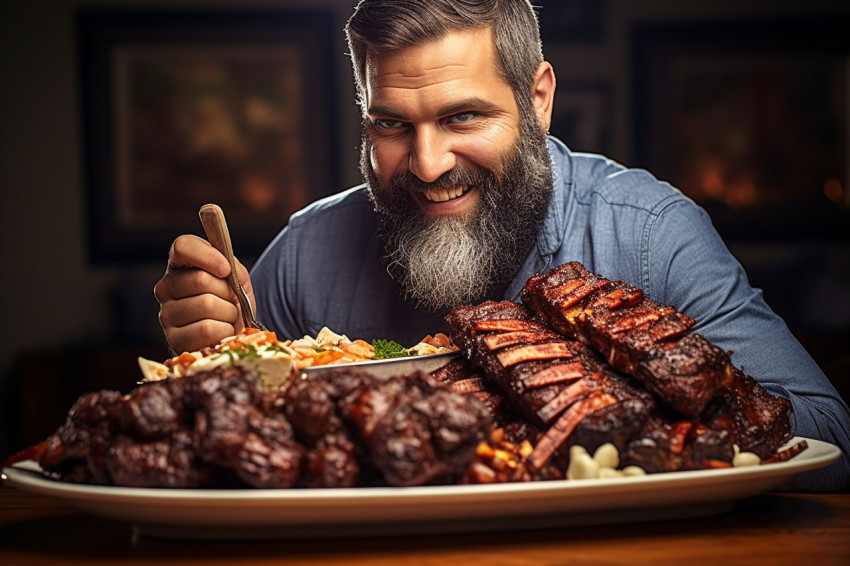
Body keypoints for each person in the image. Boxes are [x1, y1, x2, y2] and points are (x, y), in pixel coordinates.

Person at [154, 0, 849, 491]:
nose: (427, 164)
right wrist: (215, 353)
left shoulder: (647, 233)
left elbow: (829, 438)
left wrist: (608, 405)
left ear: (538, 100)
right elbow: (215, 442)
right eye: (392, 125)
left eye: (463, 116)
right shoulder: (307, 253)